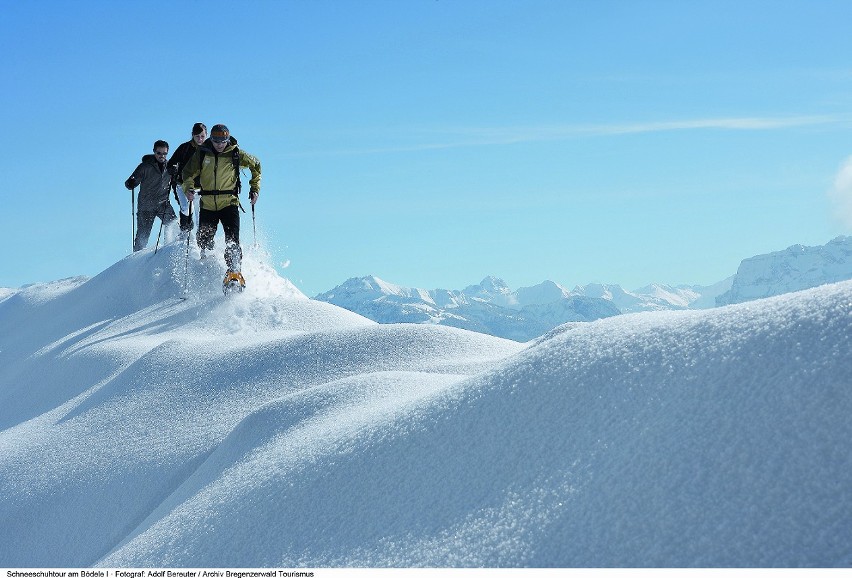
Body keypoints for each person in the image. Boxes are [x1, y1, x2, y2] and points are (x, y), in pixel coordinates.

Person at [182, 124, 261, 289]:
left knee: (232, 240)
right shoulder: (202, 153)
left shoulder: (235, 153)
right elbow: (188, 173)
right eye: (216, 140)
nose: (219, 144)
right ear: (211, 138)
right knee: (204, 241)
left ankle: (234, 273)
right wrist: (188, 188)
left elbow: (256, 165)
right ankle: (208, 274)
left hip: (229, 203)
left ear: (227, 139)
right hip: (208, 204)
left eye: (223, 141)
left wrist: (254, 188)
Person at [124, 140, 177, 252]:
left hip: (163, 204)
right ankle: (135, 260)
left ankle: (170, 249)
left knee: (174, 225)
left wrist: (175, 173)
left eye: (164, 153)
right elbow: (131, 181)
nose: (162, 156)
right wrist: (131, 183)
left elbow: (177, 183)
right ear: (154, 152)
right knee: (143, 236)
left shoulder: (170, 167)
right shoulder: (145, 167)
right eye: (159, 153)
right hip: (146, 206)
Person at [167, 123, 207, 237]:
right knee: (186, 209)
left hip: (201, 188)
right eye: (197, 136)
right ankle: (184, 234)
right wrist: (173, 168)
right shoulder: (184, 148)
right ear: (192, 135)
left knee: (201, 215)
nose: (200, 139)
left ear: (206, 135)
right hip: (182, 185)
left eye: (202, 136)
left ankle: (202, 241)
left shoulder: (209, 149)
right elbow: (171, 163)